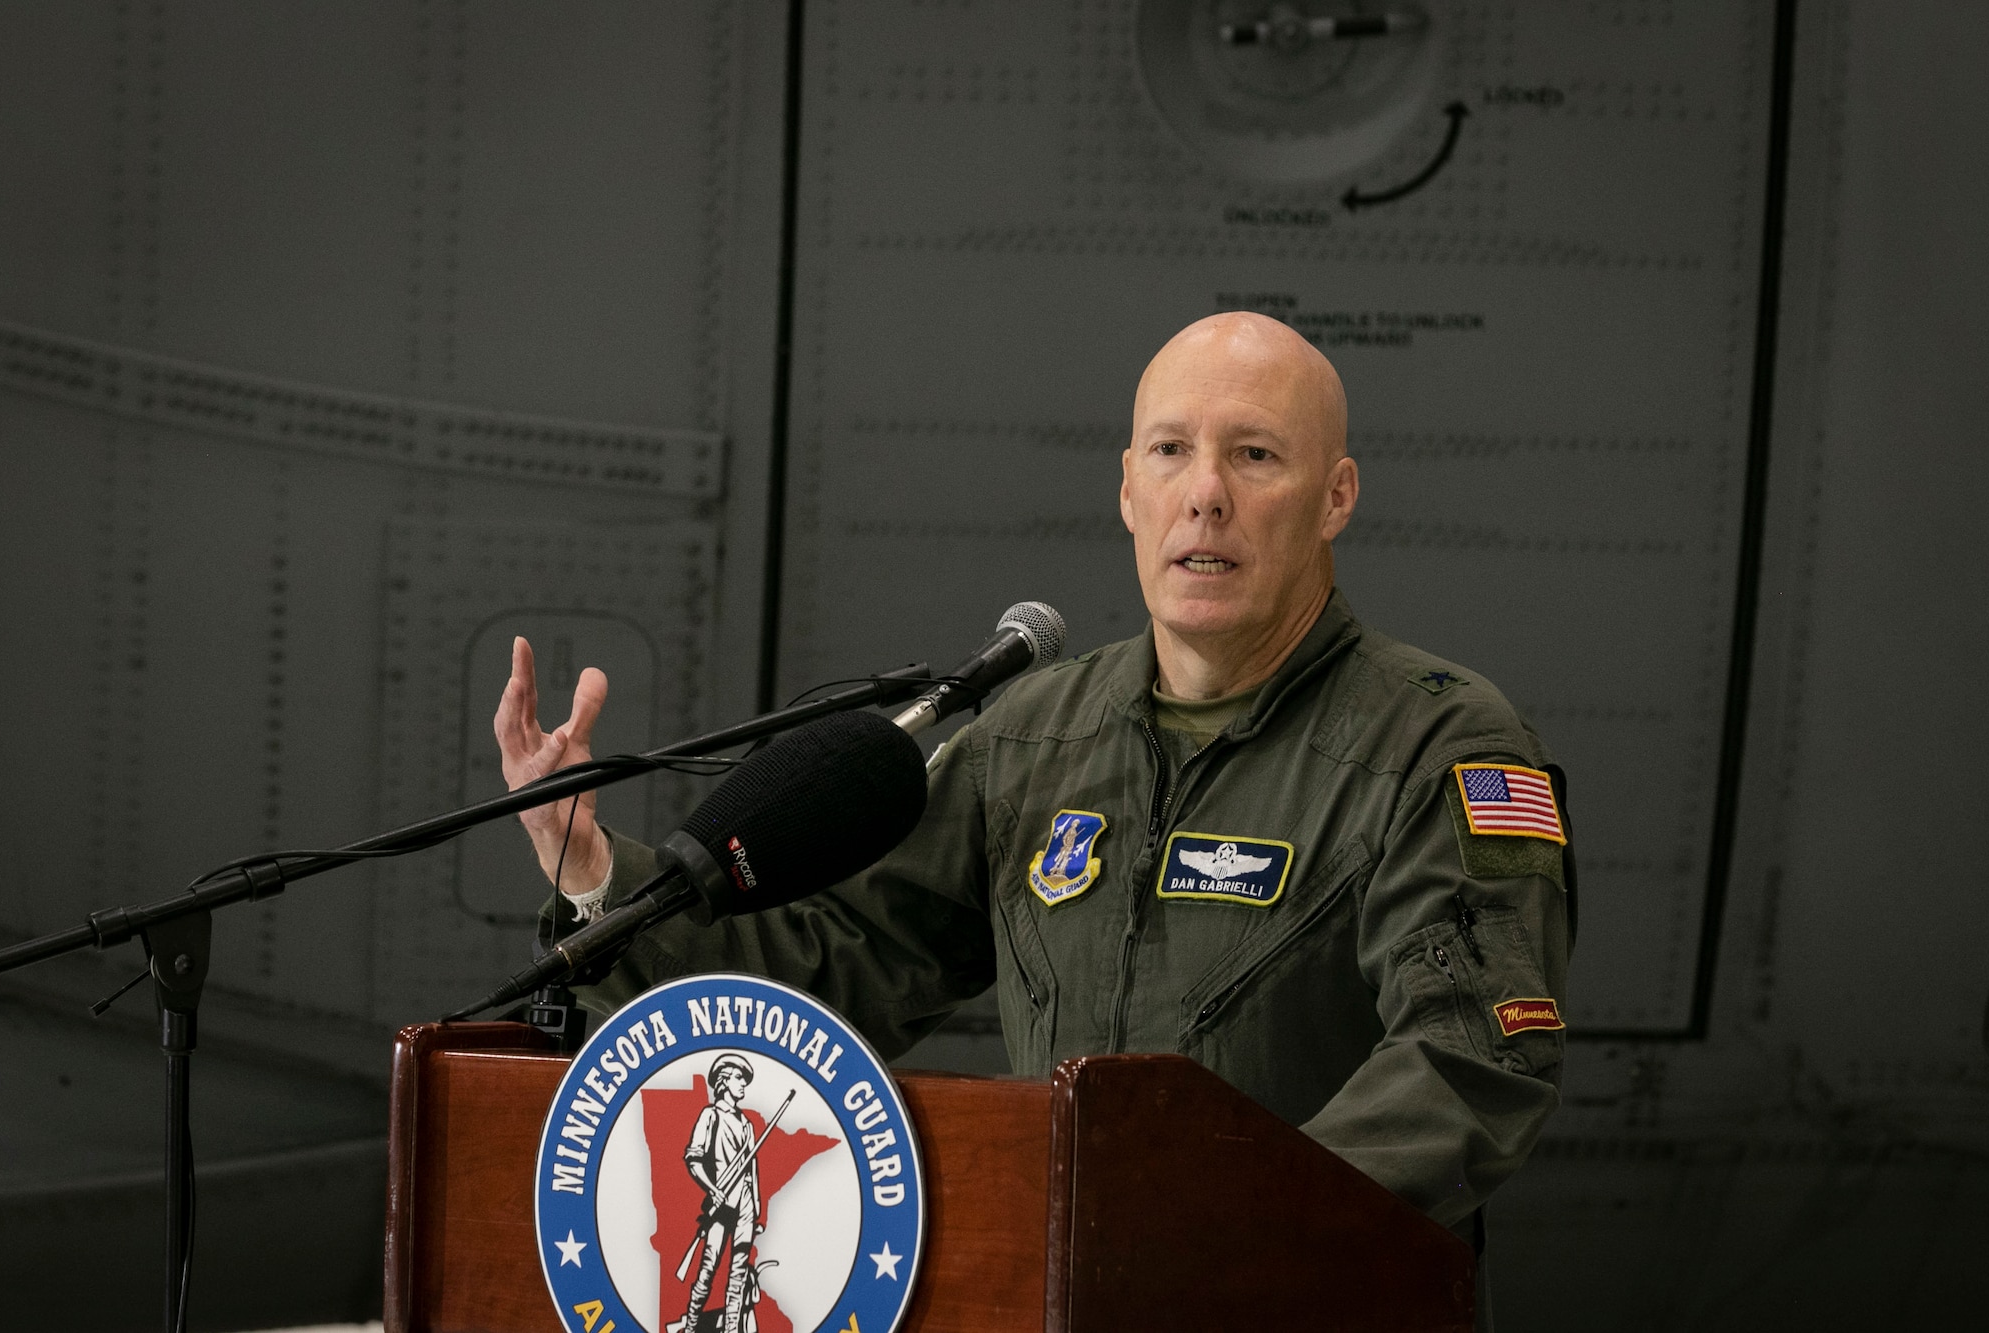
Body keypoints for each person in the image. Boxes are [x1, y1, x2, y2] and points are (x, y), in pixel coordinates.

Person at [496, 312, 1573, 1320]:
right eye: (1168, 451)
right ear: (1125, 490)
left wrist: (1232, 1239)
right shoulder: (1033, 738)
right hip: (1055, 1299)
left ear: (1333, 496)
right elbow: (837, 969)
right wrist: (595, 873)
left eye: (1254, 455)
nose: (1204, 495)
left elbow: (1465, 1053)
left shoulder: (1436, 742)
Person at [681, 1053, 762, 1333]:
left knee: (739, 1271)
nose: (743, 1085)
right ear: (724, 1081)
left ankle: (730, 1329)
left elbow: (752, 1169)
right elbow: (693, 1159)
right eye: (739, 1078)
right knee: (709, 1267)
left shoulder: (748, 1125)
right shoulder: (710, 1115)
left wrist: (757, 1207)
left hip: (746, 1205)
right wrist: (712, 1190)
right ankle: (691, 1326)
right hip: (721, 1202)